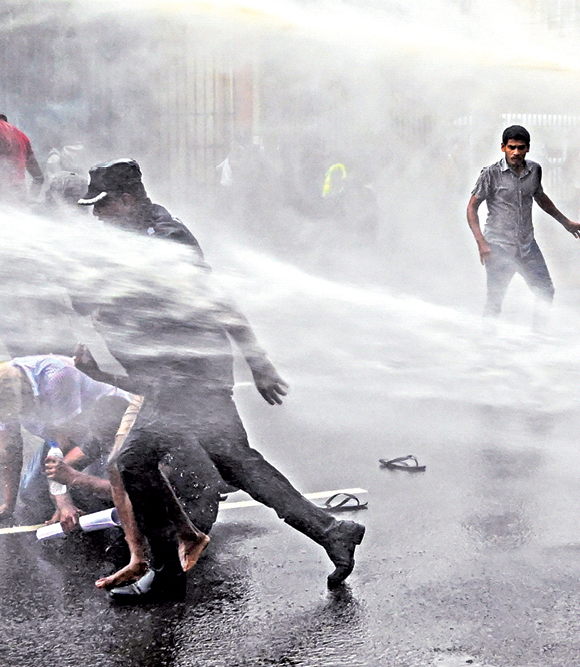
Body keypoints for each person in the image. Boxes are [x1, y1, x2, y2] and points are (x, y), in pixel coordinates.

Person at [74, 158, 364, 599]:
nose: (96, 214)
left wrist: (258, 360)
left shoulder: (165, 239)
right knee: (235, 461)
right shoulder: (131, 237)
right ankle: (331, 531)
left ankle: (167, 575)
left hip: (189, 376)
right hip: (181, 374)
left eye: (102, 204)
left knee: (134, 461)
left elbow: (214, 299)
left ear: (128, 200)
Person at [0, 355, 218, 564]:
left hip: (192, 503)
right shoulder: (100, 434)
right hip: (101, 433)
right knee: (38, 491)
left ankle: (158, 551)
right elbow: (57, 464)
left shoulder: (143, 443)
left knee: (123, 498)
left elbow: (130, 489)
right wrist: (62, 499)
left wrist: (77, 480)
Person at [466, 125, 580, 323]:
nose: (516, 152)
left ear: (528, 148)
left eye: (520, 147)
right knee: (495, 300)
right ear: (503, 147)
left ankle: (539, 334)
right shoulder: (491, 173)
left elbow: (540, 198)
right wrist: (481, 242)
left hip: (526, 245)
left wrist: (566, 223)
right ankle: (487, 337)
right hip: (499, 245)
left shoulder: (534, 170)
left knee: (545, 290)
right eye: (511, 147)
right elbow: (472, 207)